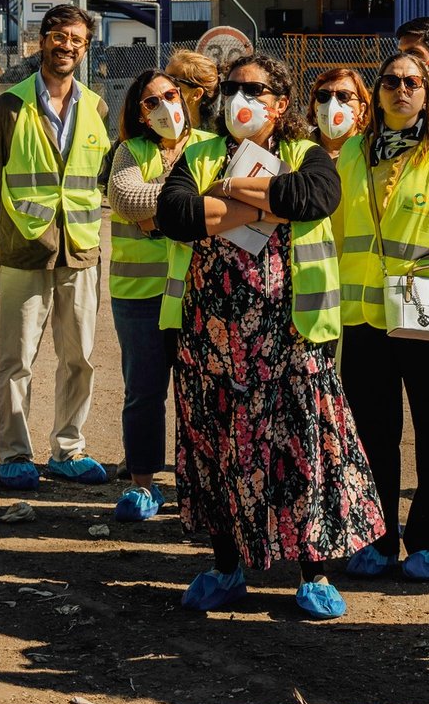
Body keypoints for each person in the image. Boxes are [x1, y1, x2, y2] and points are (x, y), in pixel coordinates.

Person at [156, 53, 383, 620]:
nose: (239, 99)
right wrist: (261, 199)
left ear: (281, 105)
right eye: (231, 88)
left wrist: (230, 191)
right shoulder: (197, 152)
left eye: (254, 90)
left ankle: (312, 572)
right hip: (215, 340)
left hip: (290, 337)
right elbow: (176, 214)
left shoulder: (306, 154)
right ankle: (226, 566)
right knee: (221, 453)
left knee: (298, 452)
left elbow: (311, 200)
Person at [334, 51, 429, 581]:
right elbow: (333, 235)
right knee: (371, 430)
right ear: (377, 93)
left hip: (426, 312)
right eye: (392, 82)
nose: (403, 90)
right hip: (361, 315)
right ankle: (375, 539)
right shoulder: (351, 151)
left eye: (413, 82)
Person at [0, 4, 113, 489]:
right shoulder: (9, 106)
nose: (67, 46)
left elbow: (97, 181)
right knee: (16, 359)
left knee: (80, 357)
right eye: (58, 36)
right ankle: (14, 452)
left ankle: (69, 449)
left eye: (77, 39)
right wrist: (3, 247)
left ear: (85, 46)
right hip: (23, 250)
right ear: (42, 41)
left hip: (80, 251)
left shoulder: (96, 107)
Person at [104, 68, 212, 521]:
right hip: (140, 294)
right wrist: (193, 204)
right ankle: (143, 485)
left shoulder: (211, 145)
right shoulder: (129, 151)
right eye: (152, 102)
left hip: (199, 293)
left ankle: (201, 487)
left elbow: (228, 198)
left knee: (204, 395)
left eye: (170, 95)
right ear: (140, 114)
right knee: (144, 391)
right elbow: (127, 198)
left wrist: (161, 214)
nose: (166, 106)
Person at [305, 67, 371, 159]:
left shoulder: (371, 151)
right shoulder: (299, 149)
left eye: (343, 96)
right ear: (313, 105)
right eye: (323, 95)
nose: (332, 104)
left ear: (362, 109)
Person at [167, 48, 220, 133]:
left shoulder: (213, 138)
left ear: (196, 94)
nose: (163, 83)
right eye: (164, 76)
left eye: (172, 79)